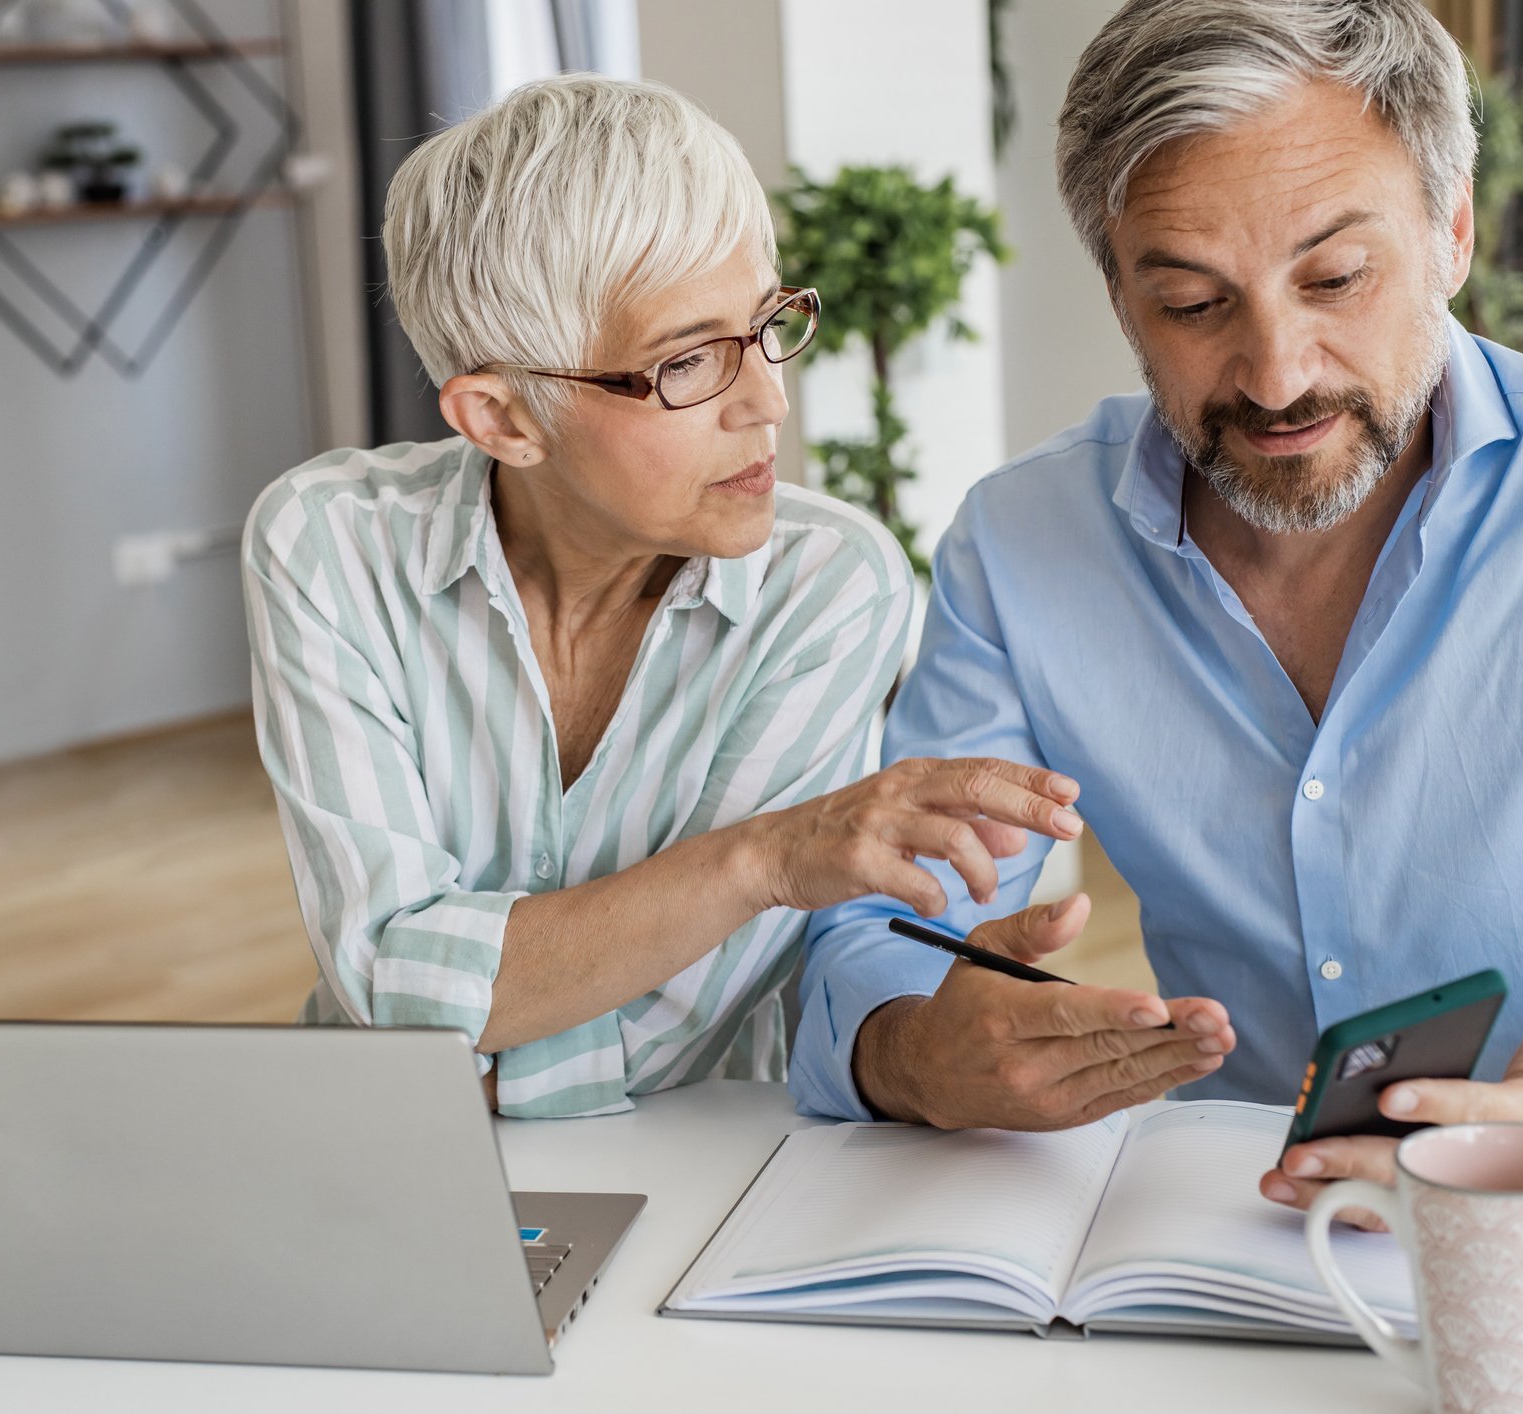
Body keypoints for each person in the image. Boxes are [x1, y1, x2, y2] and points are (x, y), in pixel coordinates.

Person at [790, 0, 1523, 1221]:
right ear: (1118, 290)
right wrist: (915, 1046)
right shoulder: (1024, 546)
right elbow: (885, 939)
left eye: (1338, 279)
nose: (1277, 375)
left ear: (1453, 234)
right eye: (1193, 304)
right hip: (1225, 1237)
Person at [243, 75, 1080, 1119]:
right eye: (688, 361)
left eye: (768, 322)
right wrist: (765, 860)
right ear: (502, 417)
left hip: (694, 1153)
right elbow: (386, 980)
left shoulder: (828, 586)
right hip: (379, 1145)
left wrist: (470, 1053)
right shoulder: (329, 544)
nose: (768, 401)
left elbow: (681, 1016)